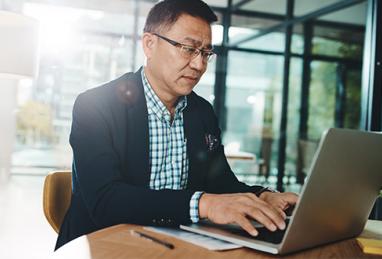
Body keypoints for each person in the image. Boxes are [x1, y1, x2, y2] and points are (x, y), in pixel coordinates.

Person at [56, 0, 298, 250]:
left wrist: (263, 197)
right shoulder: (95, 106)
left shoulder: (201, 111)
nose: (199, 65)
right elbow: (105, 201)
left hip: (177, 245)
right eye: (188, 48)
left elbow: (222, 184)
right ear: (149, 44)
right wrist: (204, 204)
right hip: (101, 244)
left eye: (205, 53)